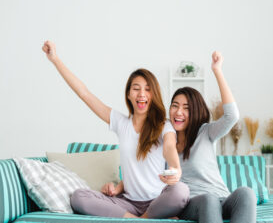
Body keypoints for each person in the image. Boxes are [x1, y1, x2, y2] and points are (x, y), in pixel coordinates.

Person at [42, 41, 189, 219]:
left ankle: (143, 218)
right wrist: (55, 59)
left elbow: (169, 148)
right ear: (128, 94)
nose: (142, 94)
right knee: (79, 197)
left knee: (181, 191)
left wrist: (176, 169)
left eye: (147, 90)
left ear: (153, 95)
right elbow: (84, 93)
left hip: (156, 202)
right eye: (136, 89)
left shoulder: (163, 126)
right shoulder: (121, 123)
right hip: (127, 203)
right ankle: (140, 220)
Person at [168, 51, 257, 223]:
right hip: (193, 204)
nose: (179, 112)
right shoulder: (165, 140)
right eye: (175, 106)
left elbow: (232, 116)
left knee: (246, 193)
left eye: (186, 108)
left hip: (222, 199)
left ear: (195, 112)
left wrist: (217, 70)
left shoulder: (205, 132)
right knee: (208, 199)